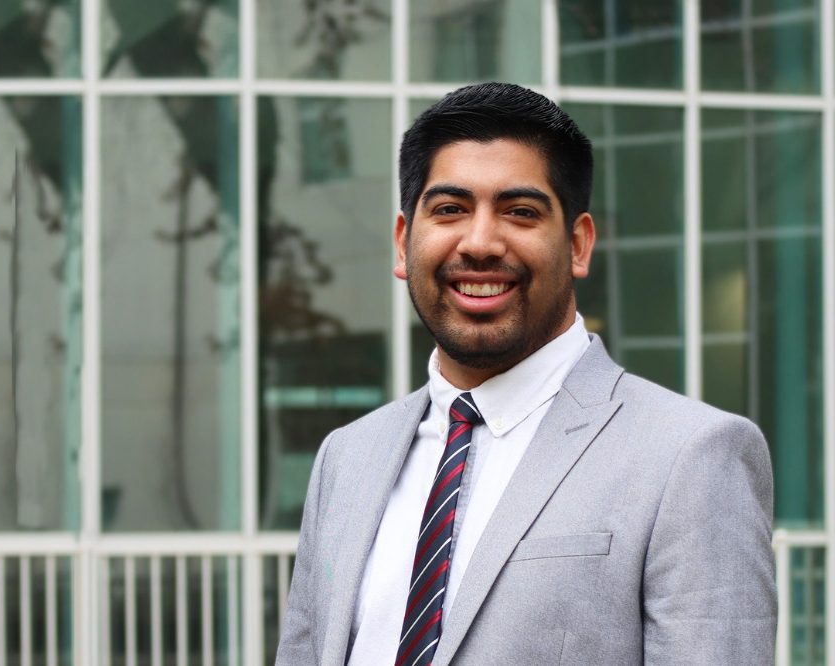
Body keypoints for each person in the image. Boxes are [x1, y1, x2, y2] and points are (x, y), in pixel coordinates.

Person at [277, 82, 776, 665]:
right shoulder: (347, 457)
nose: (482, 242)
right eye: (449, 210)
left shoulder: (692, 455)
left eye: (519, 211)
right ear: (403, 242)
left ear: (578, 245)